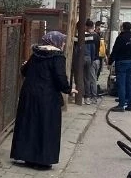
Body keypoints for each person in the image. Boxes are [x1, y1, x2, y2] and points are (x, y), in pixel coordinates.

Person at [10, 31, 77, 170]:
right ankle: (42, 160)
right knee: (46, 127)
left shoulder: (36, 54)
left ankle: (27, 156)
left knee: (29, 124)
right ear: (57, 42)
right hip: (47, 97)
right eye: (63, 41)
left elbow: (24, 71)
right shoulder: (57, 57)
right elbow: (60, 77)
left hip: (29, 94)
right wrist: (69, 89)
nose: (64, 44)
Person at [108, 21, 131, 111]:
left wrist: (110, 62)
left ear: (122, 28)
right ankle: (130, 105)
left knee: (121, 84)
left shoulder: (120, 38)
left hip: (122, 62)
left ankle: (121, 105)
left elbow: (115, 51)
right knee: (130, 84)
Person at [81, 20, 101, 105]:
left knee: (89, 79)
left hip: (91, 59)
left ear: (86, 26)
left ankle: (91, 97)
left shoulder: (89, 36)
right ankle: (93, 97)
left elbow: (91, 49)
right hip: (97, 59)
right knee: (93, 79)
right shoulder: (97, 36)